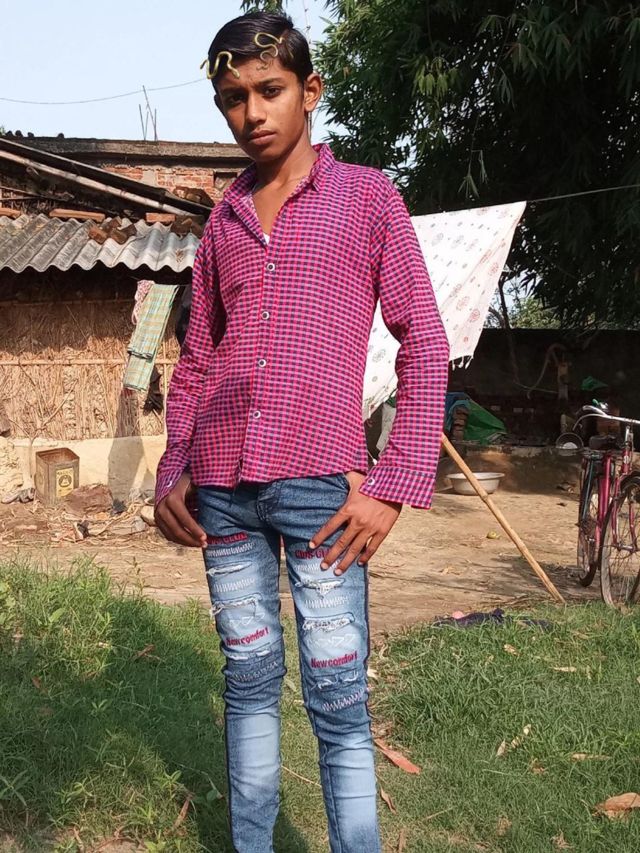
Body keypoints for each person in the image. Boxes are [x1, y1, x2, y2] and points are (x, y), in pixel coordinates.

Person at [154, 11, 449, 853]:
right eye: (232, 98)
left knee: (338, 694)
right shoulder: (224, 220)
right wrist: (173, 469)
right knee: (248, 681)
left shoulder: (367, 198)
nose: (252, 113)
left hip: (322, 491)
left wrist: (393, 484)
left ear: (310, 90)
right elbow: (199, 357)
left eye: (270, 90)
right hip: (222, 493)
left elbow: (425, 342)